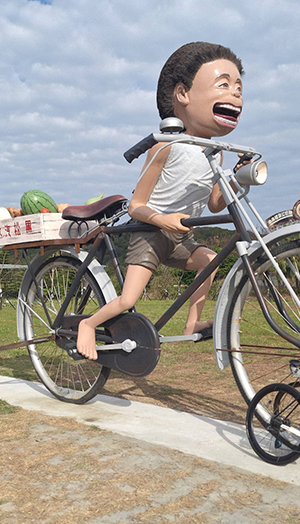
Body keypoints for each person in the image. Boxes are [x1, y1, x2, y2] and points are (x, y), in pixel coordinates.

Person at [76, 41, 245, 360]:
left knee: (209, 260)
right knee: (127, 300)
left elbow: (214, 204)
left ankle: (191, 322)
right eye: (223, 84)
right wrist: (161, 219)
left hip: (181, 236)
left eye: (238, 87)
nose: (235, 93)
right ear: (182, 94)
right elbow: (135, 205)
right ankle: (88, 324)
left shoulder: (215, 155)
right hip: (150, 234)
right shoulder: (165, 147)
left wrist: (239, 180)